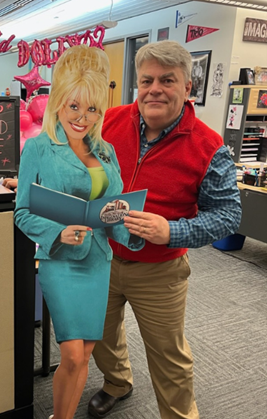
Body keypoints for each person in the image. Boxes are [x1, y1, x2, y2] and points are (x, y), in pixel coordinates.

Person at [87, 40, 242, 419]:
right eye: (147, 80)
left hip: (159, 270)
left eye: (167, 80)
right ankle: (117, 382)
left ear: (188, 87)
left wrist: (171, 231)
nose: (154, 88)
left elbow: (227, 215)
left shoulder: (209, 146)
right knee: (102, 335)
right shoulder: (109, 121)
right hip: (103, 256)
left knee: (168, 356)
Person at [14, 45, 135, 419]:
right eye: (74, 107)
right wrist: (57, 232)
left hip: (99, 258)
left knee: (86, 352)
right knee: (69, 352)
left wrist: (132, 225)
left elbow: (114, 208)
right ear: (59, 105)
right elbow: (21, 211)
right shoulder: (39, 148)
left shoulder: (107, 151)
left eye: (92, 109)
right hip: (61, 260)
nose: (82, 118)